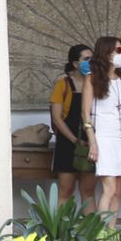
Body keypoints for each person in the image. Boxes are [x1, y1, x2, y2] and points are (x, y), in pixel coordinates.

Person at [81, 35, 121, 223]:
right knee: (108, 189)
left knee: (117, 191)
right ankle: (100, 240)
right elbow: (85, 114)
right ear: (106, 52)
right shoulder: (91, 79)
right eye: (118, 50)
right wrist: (93, 142)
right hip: (104, 138)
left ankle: (112, 236)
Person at [48, 44, 96, 209]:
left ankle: (90, 234)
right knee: (66, 191)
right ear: (75, 63)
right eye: (86, 59)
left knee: (88, 191)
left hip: (90, 143)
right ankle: (63, 233)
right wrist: (75, 140)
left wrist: (91, 141)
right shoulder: (63, 85)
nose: (91, 62)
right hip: (67, 143)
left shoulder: (97, 85)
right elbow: (57, 118)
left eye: (92, 59)